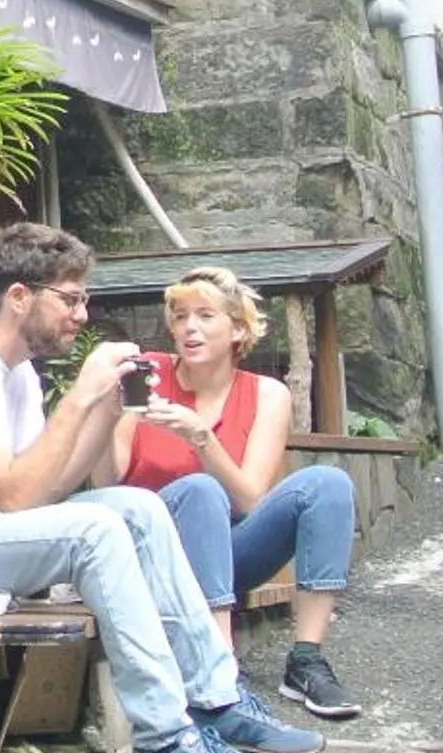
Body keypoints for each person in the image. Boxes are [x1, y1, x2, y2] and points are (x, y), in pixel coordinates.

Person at [0, 222, 323, 753]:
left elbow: (48, 490)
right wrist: (78, 395)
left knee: (137, 507)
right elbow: (16, 495)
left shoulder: (18, 375)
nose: (81, 314)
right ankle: (164, 741)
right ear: (19, 297)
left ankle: (216, 700)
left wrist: (103, 407)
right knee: (97, 530)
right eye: (70, 299)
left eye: (84, 299)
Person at [107, 266, 362, 720]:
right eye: (180, 316)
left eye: (205, 315)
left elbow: (247, 501)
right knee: (199, 490)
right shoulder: (148, 375)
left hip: (226, 555)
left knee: (328, 484)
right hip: (148, 553)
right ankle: (220, 668)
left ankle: (306, 661)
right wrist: (108, 417)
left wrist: (202, 439)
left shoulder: (268, 393)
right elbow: (110, 479)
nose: (189, 328)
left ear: (238, 329)